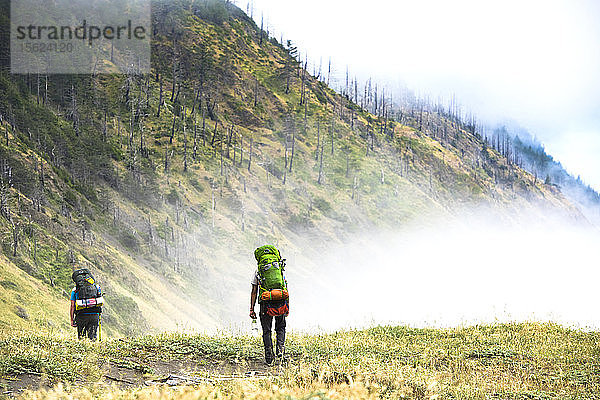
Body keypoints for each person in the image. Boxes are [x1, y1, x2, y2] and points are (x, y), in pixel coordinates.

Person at [250, 270, 287, 365]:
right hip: (280, 301)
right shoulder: (278, 268)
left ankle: (269, 357)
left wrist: (252, 308)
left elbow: (254, 291)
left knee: (266, 330)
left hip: (265, 304)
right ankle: (281, 352)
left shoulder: (258, 271)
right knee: (280, 328)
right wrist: (287, 307)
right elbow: (285, 287)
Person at [70, 273, 102, 341]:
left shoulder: (75, 290)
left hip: (81, 316)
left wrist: (72, 320)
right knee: (92, 338)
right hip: (94, 315)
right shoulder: (96, 287)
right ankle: (94, 350)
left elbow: (72, 306)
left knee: (82, 338)